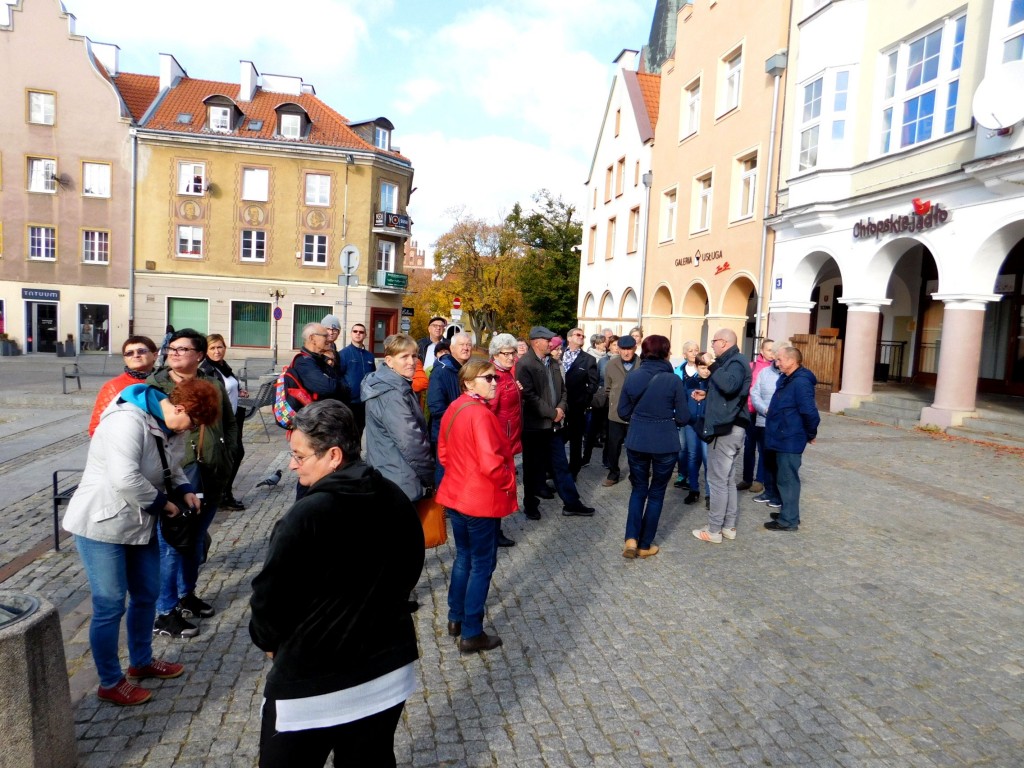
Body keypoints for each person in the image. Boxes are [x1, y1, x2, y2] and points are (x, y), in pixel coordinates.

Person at [249, 401, 424, 767]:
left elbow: (270, 599)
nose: (292, 465)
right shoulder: (393, 496)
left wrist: (269, 641)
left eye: (299, 456)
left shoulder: (304, 517)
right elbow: (410, 568)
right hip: (388, 668)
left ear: (333, 455)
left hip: (313, 684)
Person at [64, 378, 221, 706]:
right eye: (193, 423)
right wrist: (165, 505)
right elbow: (125, 478)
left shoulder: (171, 425)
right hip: (102, 522)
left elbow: (172, 467)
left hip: (138, 524)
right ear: (180, 408)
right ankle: (110, 681)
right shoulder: (127, 421)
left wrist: (184, 490)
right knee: (110, 604)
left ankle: (141, 662)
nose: (192, 430)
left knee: (147, 594)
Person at [148, 328, 237, 637]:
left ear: (199, 355)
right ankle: (165, 608)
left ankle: (187, 595)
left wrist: (229, 453)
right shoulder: (155, 385)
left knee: (196, 540)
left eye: (182, 349)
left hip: (211, 472)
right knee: (173, 545)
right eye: (172, 348)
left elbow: (229, 422)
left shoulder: (213, 383)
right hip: (175, 475)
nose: (174, 353)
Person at [437, 359, 518, 653]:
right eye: (488, 378)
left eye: (495, 377)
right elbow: (491, 463)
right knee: (482, 564)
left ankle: (455, 618)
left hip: (456, 495)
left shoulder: (455, 407)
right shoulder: (480, 414)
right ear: (469, 383)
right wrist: (510, 481)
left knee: (464, 558)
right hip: (479, 500)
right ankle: (471, 631)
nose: (495, 382)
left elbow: (443, 453)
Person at [617, 335, 689, 559]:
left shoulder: (633, 376)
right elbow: (684, 417)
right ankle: (645, 544)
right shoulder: (673, 380)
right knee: (656, 493)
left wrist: (640, 417)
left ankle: (631, 538)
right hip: (665, 443)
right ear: (666, 353)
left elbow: (622, 411)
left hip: (637, 440)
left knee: (638, 489)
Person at [516, 326, 594, 520]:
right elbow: (529, 396)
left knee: (561, 466)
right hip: (534, 427)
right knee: (532, 468)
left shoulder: (553, 362)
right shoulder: (525, 364)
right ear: (536, 342)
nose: (551, 343)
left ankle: (572, 503)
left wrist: (561, 408)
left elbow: (563, 390)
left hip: (553, 426)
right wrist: (553, 413)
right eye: (547, 340)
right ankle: (530, 505)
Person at [692, 328, 752, 544]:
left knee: (717, 480)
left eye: (714, 341)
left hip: (726, 429)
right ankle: (728, 526)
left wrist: (712, 364)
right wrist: (708, 395)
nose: (712, 345)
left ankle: (714, 530)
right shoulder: (732, 361)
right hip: (730, 426)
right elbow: (731, 393)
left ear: (724, 343)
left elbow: (729, 386)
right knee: (727, 480)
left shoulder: (735, 362)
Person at [361, 334, 435, 503]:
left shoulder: (395, 385)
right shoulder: (392, 394)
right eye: (404, 357)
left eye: (414, 356)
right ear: (389, 361)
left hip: (391, 473)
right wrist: (430, 475)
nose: (411, 362)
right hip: (399, 481)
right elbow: (410, 442)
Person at [763, 347, 820, 532]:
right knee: (782, 477)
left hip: (790, 437)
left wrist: (811, 433)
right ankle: (788, 512)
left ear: (792, 361)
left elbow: (809, 412)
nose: (776, 363)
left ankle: (789, 521)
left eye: (780, 359)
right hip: (781, 435)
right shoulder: (788, 378)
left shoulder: (801, 382)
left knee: (788, 479)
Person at [201, 334, 248, 511]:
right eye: (212, 348)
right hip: (219, 422)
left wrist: (239, 391)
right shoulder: (206, 370)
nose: (217, 351)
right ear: (205, 351)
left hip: (233, 419)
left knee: (235, 454)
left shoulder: (223, 367)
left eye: (220, 347)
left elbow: (229, 385)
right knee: (229, 456)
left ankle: (224, 493)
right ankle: (222, 495)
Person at [486, 333, 523, 548]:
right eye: (506, 353)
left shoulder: (507, 373)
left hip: (509, 439)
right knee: (497, 488)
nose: (511, 357)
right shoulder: (494, 377)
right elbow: (489, 412)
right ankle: (493, 531)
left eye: (513, 353)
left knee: (502, 487)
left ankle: (494, 528)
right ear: (496, 354)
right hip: (499, 442)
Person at [427, 332, 473, 485]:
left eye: (468, 345)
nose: (466, 348)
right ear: (451, 348)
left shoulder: (467, 370)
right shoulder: (442, 371)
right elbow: (436, 407)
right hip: (446, 433)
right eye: (462, 345)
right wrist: (464, 418)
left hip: (463, 434)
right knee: (445, 478)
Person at [89, 336, 159, 437]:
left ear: (155, 355)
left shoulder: (165, 381)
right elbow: (96, 427)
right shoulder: (113, 386)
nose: (136, 355)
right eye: (129, 353)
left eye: (141, 351)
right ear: (125, 359)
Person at [601, 334, 639, 486]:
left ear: (635, 348)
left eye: (629, 349)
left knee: (635, 446)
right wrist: (614, 401)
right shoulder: (611, 365)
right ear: (618, 349)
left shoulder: (642, 364)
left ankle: (635, 474)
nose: (626, 352)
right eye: (623, 349)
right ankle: (613, 473)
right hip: (616, 413)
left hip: (636, 414)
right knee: (613, 445)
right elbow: (607, 387)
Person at [562, 327, 599, 479]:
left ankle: (574, 470)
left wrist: (583, 399)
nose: (581, 337)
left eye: (583, 336)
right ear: (569, 338)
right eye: (578, 335)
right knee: (556, 437)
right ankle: (553, 467)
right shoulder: (558, 355)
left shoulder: (588, 359)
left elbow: (593, 384)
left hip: (576, 405)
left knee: (576, 439)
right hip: (557, 404)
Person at [739, 338, 775, 493]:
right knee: (748, 447)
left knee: (763, 448)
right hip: (750, 412)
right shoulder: (752, 366)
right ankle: (747, 478)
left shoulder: (777, 369)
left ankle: (760, 480)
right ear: (761, 351)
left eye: (774, 350)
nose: (772, 353)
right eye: (769, 350)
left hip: (765, 413)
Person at [750, 353, 783, 510]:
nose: (777, 360)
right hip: (763, 421)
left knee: (778, 461)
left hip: (781, 424)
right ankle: (769, 491)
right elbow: (754, 393)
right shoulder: (764, 372)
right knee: (766, 457)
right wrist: (764, 409)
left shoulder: (789, 375)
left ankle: (778, 494)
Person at [683, 353, 712, 506]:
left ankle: (709, 494)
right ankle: (693, 489)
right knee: (693, 456)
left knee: (707, 459)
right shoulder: (690, 382)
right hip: (691, 424)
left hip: (706, 425)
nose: (706, 371)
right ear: (696, 367)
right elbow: (683, 400)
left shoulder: (713, 383)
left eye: (708, 367)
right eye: (702, 368)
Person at [338, 322, 377, 439]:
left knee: (360, 430)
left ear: (365, 335)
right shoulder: (343, 354)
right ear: (351, 333)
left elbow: (373, 376)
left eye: (361, 332)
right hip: (350, 401)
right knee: (348, 432)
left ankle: (357, 450)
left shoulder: (369, 356)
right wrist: (346, 390)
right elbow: (338, 376)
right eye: (355, 331)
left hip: (365, 401)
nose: (358, 334)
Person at [673, 341, 701, 491]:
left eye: (696, 350)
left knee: (693, 449)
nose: (694, 353)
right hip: (681, 415)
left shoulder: (703, 370)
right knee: (682, 448)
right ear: (684, 354)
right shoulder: (678, 371)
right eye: (690, 351)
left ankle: (692, 476)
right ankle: (681, 474)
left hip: (696, 416)